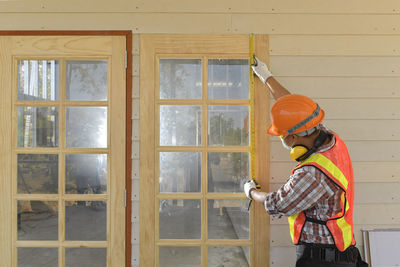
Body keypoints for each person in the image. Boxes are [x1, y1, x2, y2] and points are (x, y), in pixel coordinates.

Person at [244, 57, 368, 267]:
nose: (283, 140)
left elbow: (278, 204)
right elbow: (295, 110)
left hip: (322, 260)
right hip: (343, 253)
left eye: (282, 136)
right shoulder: (331, 140)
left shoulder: (312, 173)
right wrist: (266, 76)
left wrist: (251, 192)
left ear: (293, 138)